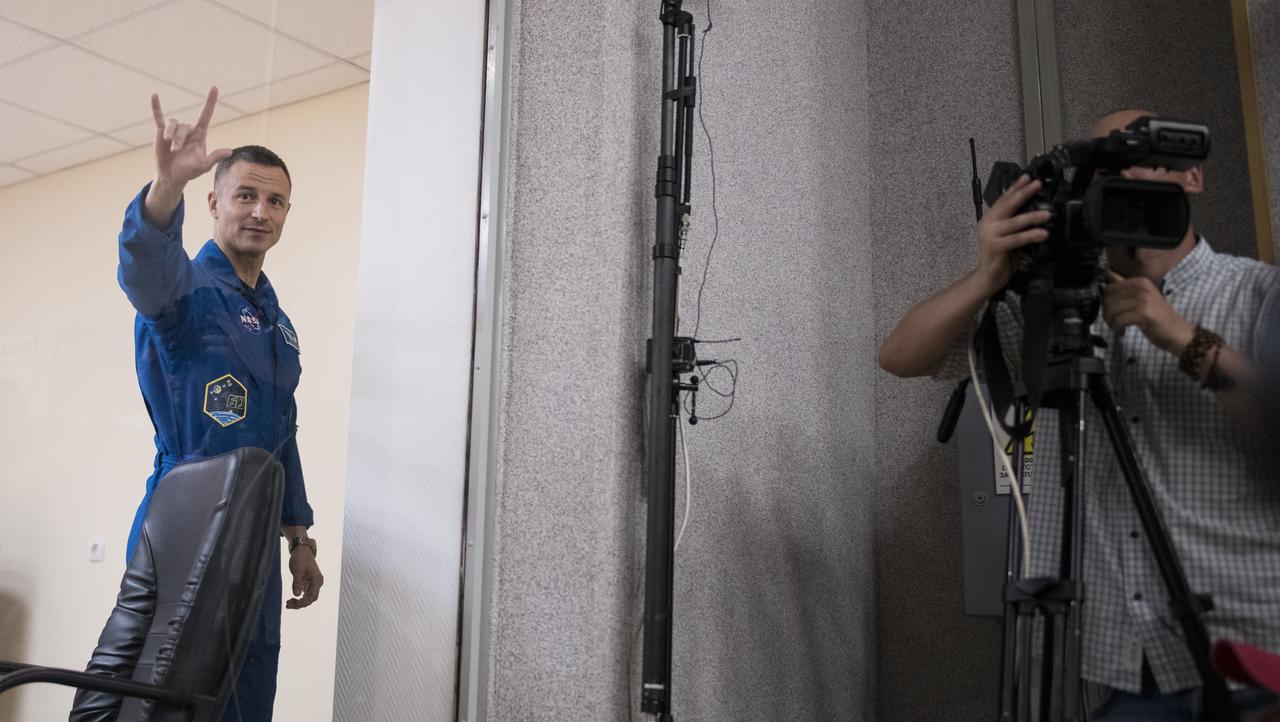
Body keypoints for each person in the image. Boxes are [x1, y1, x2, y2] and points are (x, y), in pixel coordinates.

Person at [879, 109, 1280, 719]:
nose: (1120, 176)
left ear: (1192, 175)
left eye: (1139, 156)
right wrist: (986, 276)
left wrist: (1176, 334)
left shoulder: (1259, 294)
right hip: (1123, 649)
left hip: (1248, 642)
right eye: (1103, 163)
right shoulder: (1059, 311)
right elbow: (900, 356)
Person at [116, 86, 323, 720]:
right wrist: (164, 190)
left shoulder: (276, 322)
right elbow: (143, 267)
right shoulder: (185, 290)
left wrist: (300, 538)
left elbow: (280, 431)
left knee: (247, 689)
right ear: (213, 201)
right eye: (246, 195)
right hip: (186, 525)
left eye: (275, 200)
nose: (260, 210)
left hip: (255, 539)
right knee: (172, 698)